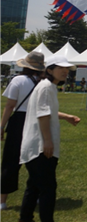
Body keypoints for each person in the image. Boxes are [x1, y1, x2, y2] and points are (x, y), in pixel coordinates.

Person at [18, 55, 80, 222]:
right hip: (39, 147)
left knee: (34, 187)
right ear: (50, 70)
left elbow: (47, 111)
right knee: (47, 189)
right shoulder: (46, 87)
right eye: (61, 68)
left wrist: (66, 116)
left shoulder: (48, 87)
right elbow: (43, 114)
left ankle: (25, 218)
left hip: (34, 146)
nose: (65, 71)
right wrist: (47, 141)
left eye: (67, 69)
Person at [1, 52, 45, 211]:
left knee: (10, 160)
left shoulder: (18, 80)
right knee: (36, 160)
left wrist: (1, 126)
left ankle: (2, 201)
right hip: (36, 120)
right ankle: (39, 194)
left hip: (19, 121)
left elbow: (10, 106)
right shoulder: (43, 82)